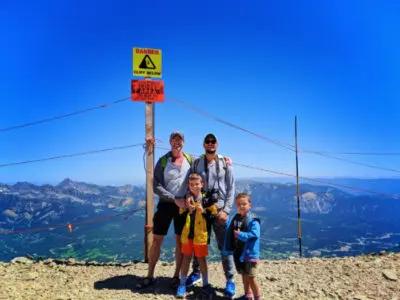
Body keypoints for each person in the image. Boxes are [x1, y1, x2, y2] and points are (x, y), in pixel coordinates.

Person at [136, 131, 193, 289]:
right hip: (166, 204)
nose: (177, 142)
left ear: (184, 142)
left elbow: (201, 172)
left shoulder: (191, 160)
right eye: (174, 140)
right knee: (156, 241)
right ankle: (150, 275)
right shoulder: (163, 161)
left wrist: (224, 160)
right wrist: (174, 198)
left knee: (179, 243)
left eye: (179, 139)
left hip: (182, 206)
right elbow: (156, 186)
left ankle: (176, 276)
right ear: (170, 142)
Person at [186, 133, 236, 298]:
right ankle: (196, 273)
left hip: (219, 209)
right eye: (207, 141)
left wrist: (227, 210)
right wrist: (189, 198)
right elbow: (191, 182)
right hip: (202, 209)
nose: (210, 144)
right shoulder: (197, 163)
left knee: (224, 246)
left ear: (217, 143)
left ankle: (230, 280)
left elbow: (231, 188)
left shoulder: (225, 163)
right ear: (203, 145)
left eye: (212, 141)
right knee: (199, 242)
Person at [176, 173, 218, 298]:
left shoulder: (207, 200)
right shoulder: (187, 200)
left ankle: (205, 284)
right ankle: (182, 284)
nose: (195, 187)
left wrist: (203, 211)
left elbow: (212, 218)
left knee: (201, 260)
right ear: (188, 186)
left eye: (197, 184)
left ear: (202, 184)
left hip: (200, 236)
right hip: (188, 235)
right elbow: (181, 215)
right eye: (192, 185)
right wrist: (188, 209)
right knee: (186, 258)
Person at [225, 193, 261, 300]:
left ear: (250, 205)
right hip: (240, 253)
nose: (241, 206)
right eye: (239, 204)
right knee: (244, 275)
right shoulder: (237, 218)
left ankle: (257, 298)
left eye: (244, 204)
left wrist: (240, 235)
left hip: (250, 254)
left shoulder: (253, 219)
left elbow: (255, 235)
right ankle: (247, 295)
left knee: (251, 277)